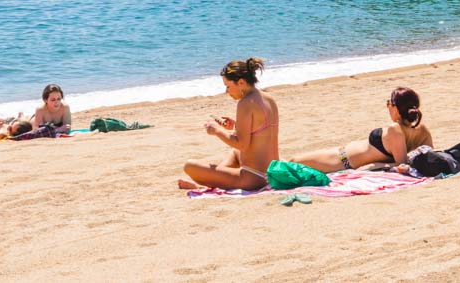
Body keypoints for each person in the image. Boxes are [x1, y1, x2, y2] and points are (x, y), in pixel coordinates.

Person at [177, 57, 279, 192]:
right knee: (235, 153)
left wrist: (217, 131)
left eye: (228, 86)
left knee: (189, 166)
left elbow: (242, 144)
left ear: (241, 82)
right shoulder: (267, 97)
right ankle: (217, 178)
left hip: (254, 178)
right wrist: (237, 126)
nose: (227, 91)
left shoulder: (245, 103)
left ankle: (208, 184)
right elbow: (261, 132)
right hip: (274, 172)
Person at [291, 87, 432, 171]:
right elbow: (428, 155)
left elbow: (402, 164)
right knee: (292, 163)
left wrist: (373, 165)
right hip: (341, 154)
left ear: (395, 108)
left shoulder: (395, 129)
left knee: (292, 162)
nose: (387, 106)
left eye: (389, 103)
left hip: (341, 161)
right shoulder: (422, 129)